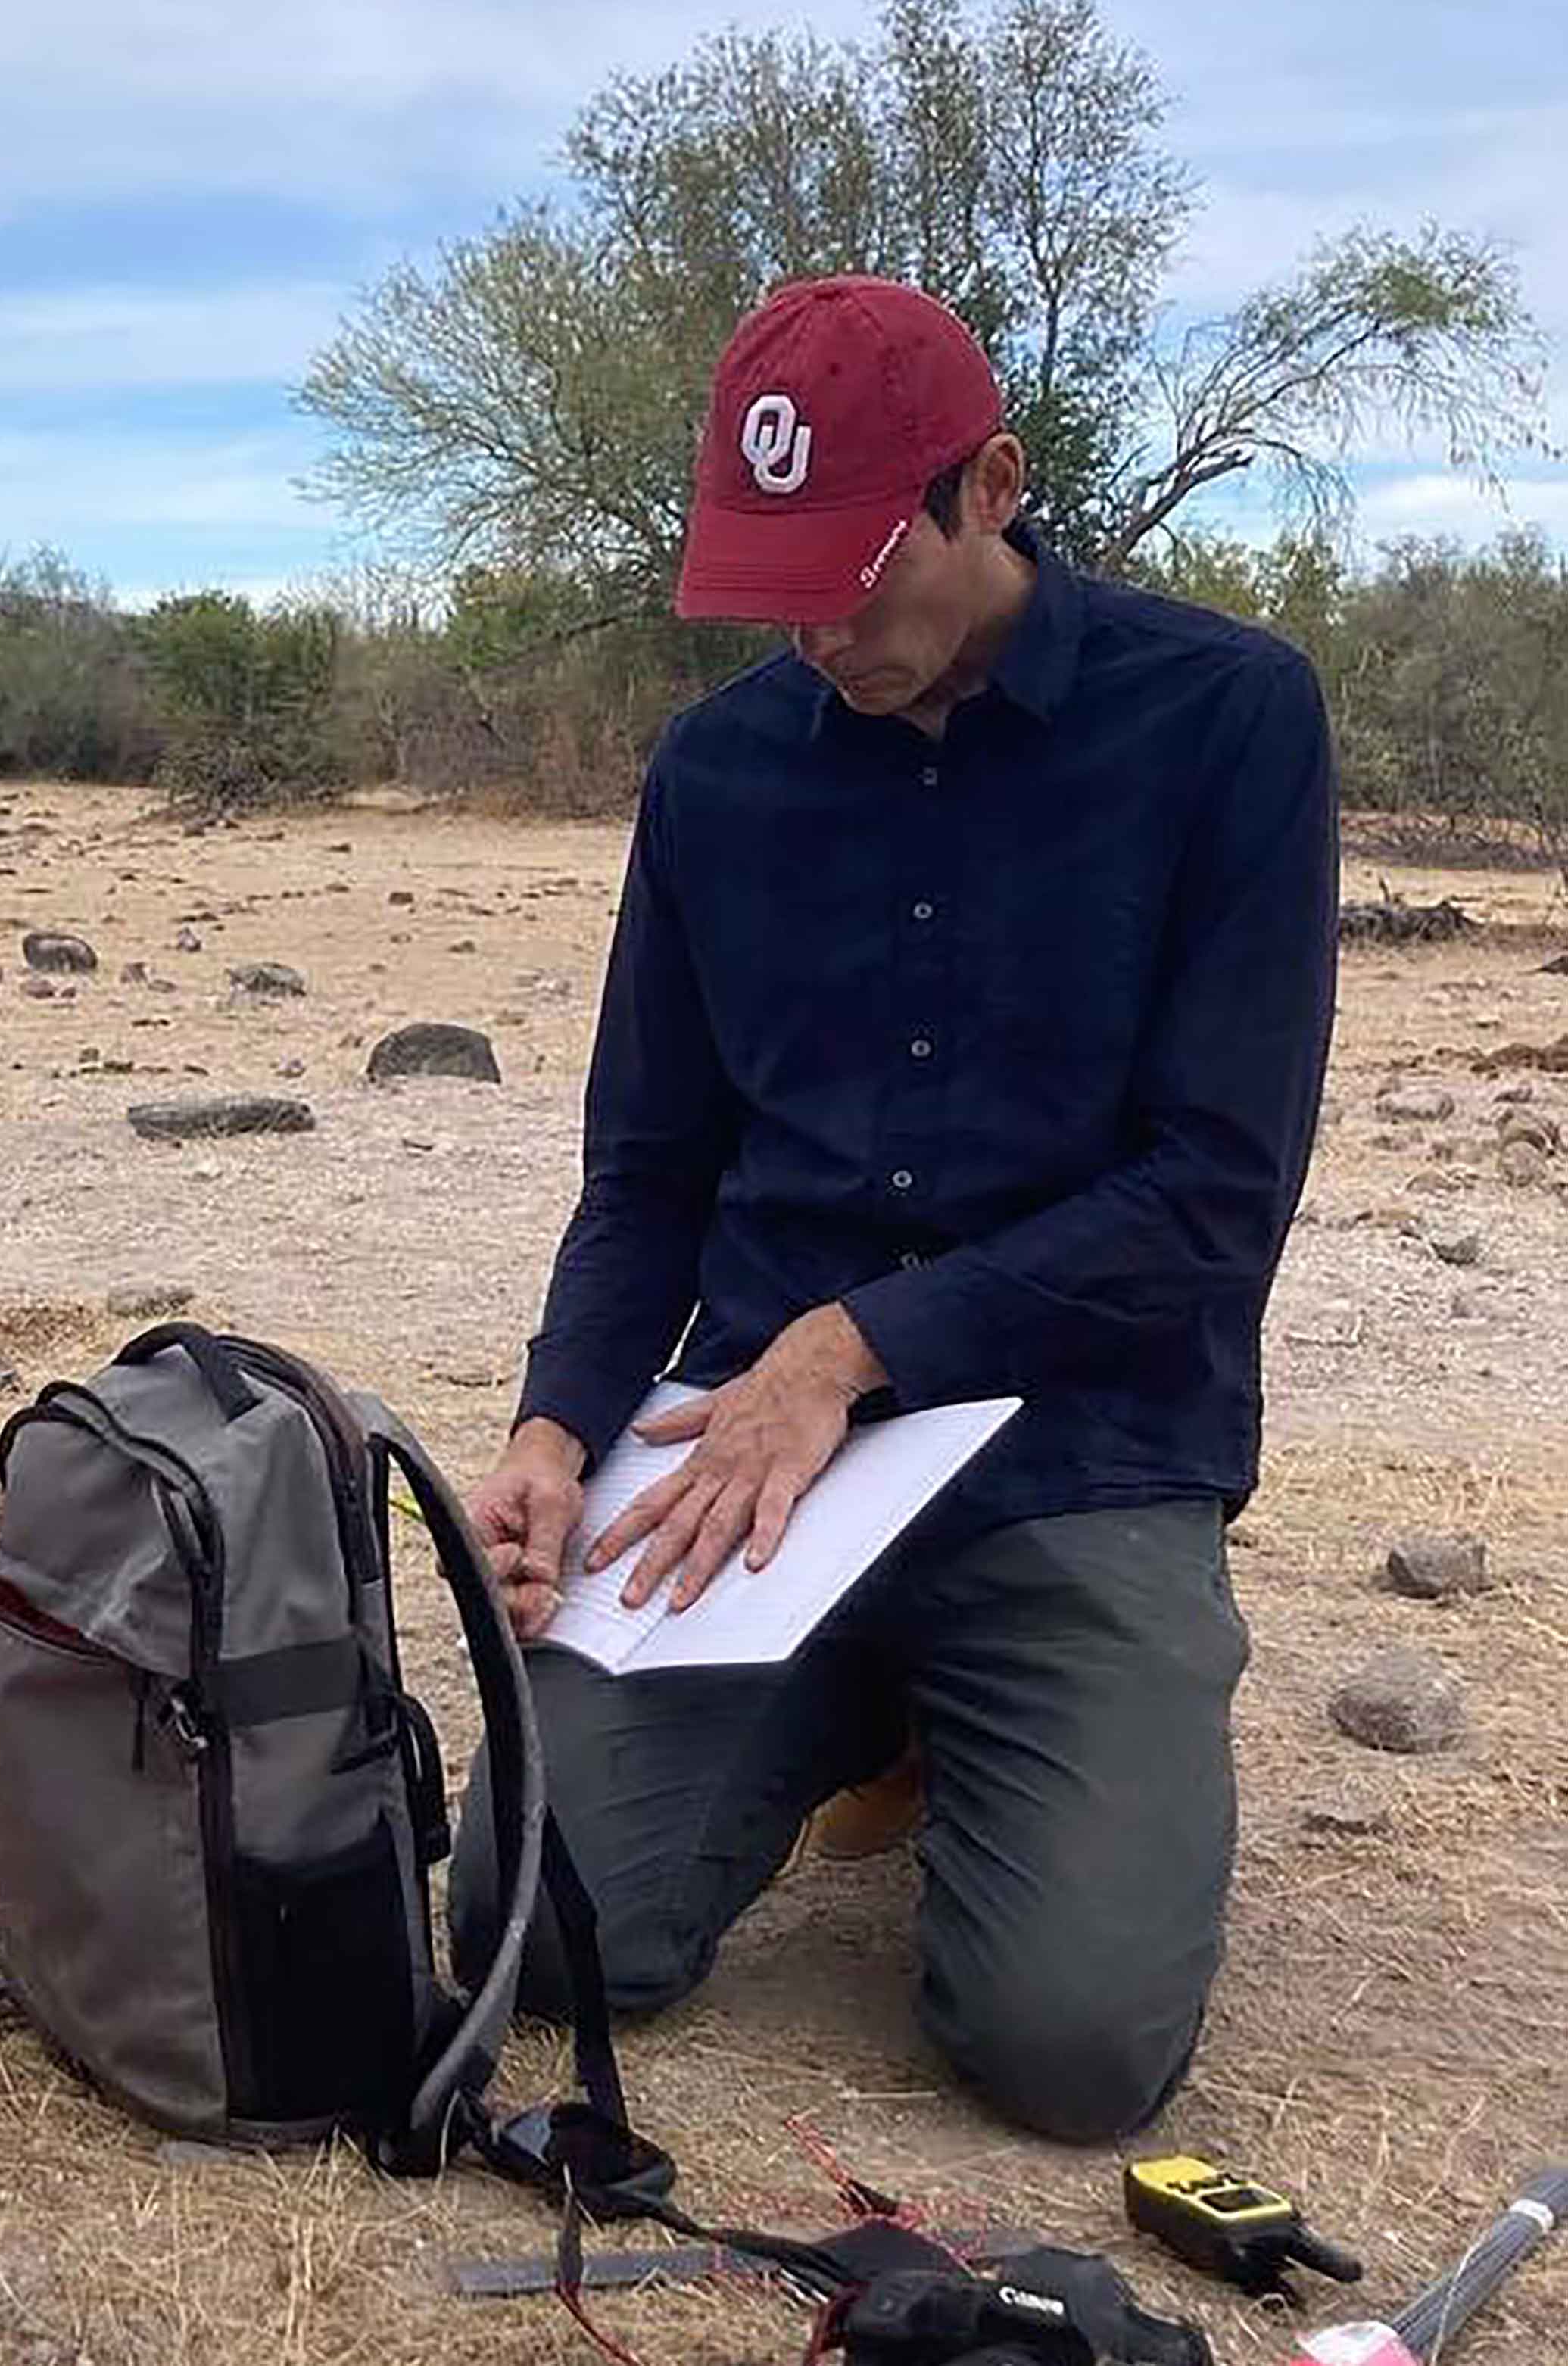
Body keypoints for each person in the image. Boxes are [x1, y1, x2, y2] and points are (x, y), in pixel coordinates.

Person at [446, 275, 1339, 2145]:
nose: (818, 628)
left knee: (1067, 2057)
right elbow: (650, 1173)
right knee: (529, 1937)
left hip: (1074, 1455)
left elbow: (1211, 1199)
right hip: (755, 1481)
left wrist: (847, 1349)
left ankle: (1004, 1721)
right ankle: (854, 1705)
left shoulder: (1225, 723)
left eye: (856, 571)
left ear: (989, 485)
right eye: (771, 580)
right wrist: (553, 1427)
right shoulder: (715, 774)